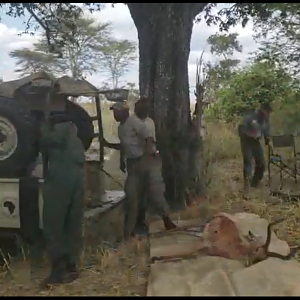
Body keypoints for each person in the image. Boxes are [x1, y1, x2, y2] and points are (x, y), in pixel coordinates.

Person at [103, 101, 176, 240]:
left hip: (144, 161)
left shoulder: (134, 122)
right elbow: (126, 146)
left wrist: (147, 156)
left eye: (116, 111)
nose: (114, 114)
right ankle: (128, 233)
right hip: (133, 164)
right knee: (131, 196)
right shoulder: (121, 127)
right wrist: (115, 154)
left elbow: (149, 138)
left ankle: (166, 219)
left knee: (155, 193)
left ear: (124, 111)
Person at [39, 103, 85, 286]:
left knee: (53, 223)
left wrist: (42, 126)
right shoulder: (75, 135)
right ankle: (71, 266)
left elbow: (42, 145)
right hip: (78, 181)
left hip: (59, 181)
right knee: (73, 223)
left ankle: (57, 271)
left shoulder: (53, 134)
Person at [238, 102, 272, 194]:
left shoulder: (265, 119)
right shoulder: (250, 116)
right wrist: (248, 134)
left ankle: (254, 183)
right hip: (246, 141)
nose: (267, 114)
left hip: (256, 142)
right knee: (248, 161)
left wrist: (267, 138)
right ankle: (247, 185)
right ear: (262, 110)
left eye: (269, 113)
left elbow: (266, 129)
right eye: (266, 112)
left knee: (261, 163)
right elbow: (241, 129)